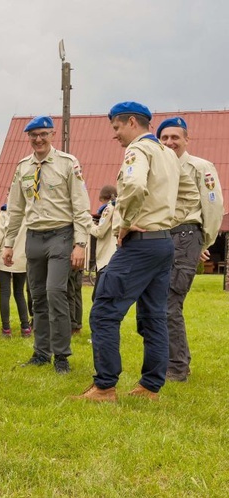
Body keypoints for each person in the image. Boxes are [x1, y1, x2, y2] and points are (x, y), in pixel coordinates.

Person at [74, 102, 198, 402]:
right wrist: (166, 219)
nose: (115, 135)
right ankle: (150, 387)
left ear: (131, 122)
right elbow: (190, 195)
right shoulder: (169, 155)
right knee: (154, 316)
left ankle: (104, 387)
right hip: (164, 243)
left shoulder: (138, 151)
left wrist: (127, 223)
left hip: (141, 246)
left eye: (116, 128)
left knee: (104, 311)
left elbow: (133, 184)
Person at [3, 116, 92, 374]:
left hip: (61, 236)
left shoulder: (67, 163)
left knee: (55, 293)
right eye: (33, 135)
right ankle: (41, 352)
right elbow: (16, 209)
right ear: (28, 138)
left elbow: (81, 205)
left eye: (43, 134)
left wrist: (80, 243)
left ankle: (62, 357)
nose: (38, 139)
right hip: (34, 238)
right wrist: (8, 244)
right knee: (37, 297)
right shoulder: (22, 168)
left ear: (52, 134)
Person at [157, 116, 224, 382]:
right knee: (158, 304)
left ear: (187, 139)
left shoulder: (200, 166)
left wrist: (202, 243)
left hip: (186, 235)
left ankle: (177, 368)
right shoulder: (158, 167)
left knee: (170, 303)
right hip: (161, 238)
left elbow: (213, 206)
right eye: (165, 138)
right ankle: (170, 360)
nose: (170, 142)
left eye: (175, 137)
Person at [0, 203, 32, 338]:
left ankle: (6, 329)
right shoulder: (29, 212)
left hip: (5, 254)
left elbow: (0, 236)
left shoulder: (5, 212)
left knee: (5, 293)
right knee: (19, 293)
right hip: (22, 257)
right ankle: (25, 327)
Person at [89, 185, 119, 300]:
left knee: (98, 297)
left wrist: (89, 224)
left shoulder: (108, 208)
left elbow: (100, 232)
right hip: (115, 256)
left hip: (106, 259)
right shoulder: (119, 207)